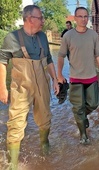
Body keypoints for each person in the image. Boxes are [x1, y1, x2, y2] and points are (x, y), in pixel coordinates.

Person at [0, 5, 59, 170]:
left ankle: (44, 144)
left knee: (45, 116)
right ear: (29, 19)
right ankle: (12, 164)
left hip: (43, 83)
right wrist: (2, 88)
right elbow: (2, 62)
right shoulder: (11, 38)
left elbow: (48, 59)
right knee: (16, 122)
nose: (42, 21)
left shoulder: (42, 37)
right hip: (21, 86)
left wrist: (55, 80)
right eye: (40, 18)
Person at [57, 7, 99, 145]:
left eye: (86, 16)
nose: (83, 19)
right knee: (77, 107)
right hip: (75, 78)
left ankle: (82, 117)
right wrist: (59, 74)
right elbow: (61, 56)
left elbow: (98, 55)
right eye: (80, 16)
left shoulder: (93, 35)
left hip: (91, 76)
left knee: (94, 103)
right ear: (75, 19)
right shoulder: (68, 36)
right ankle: (83, 135)